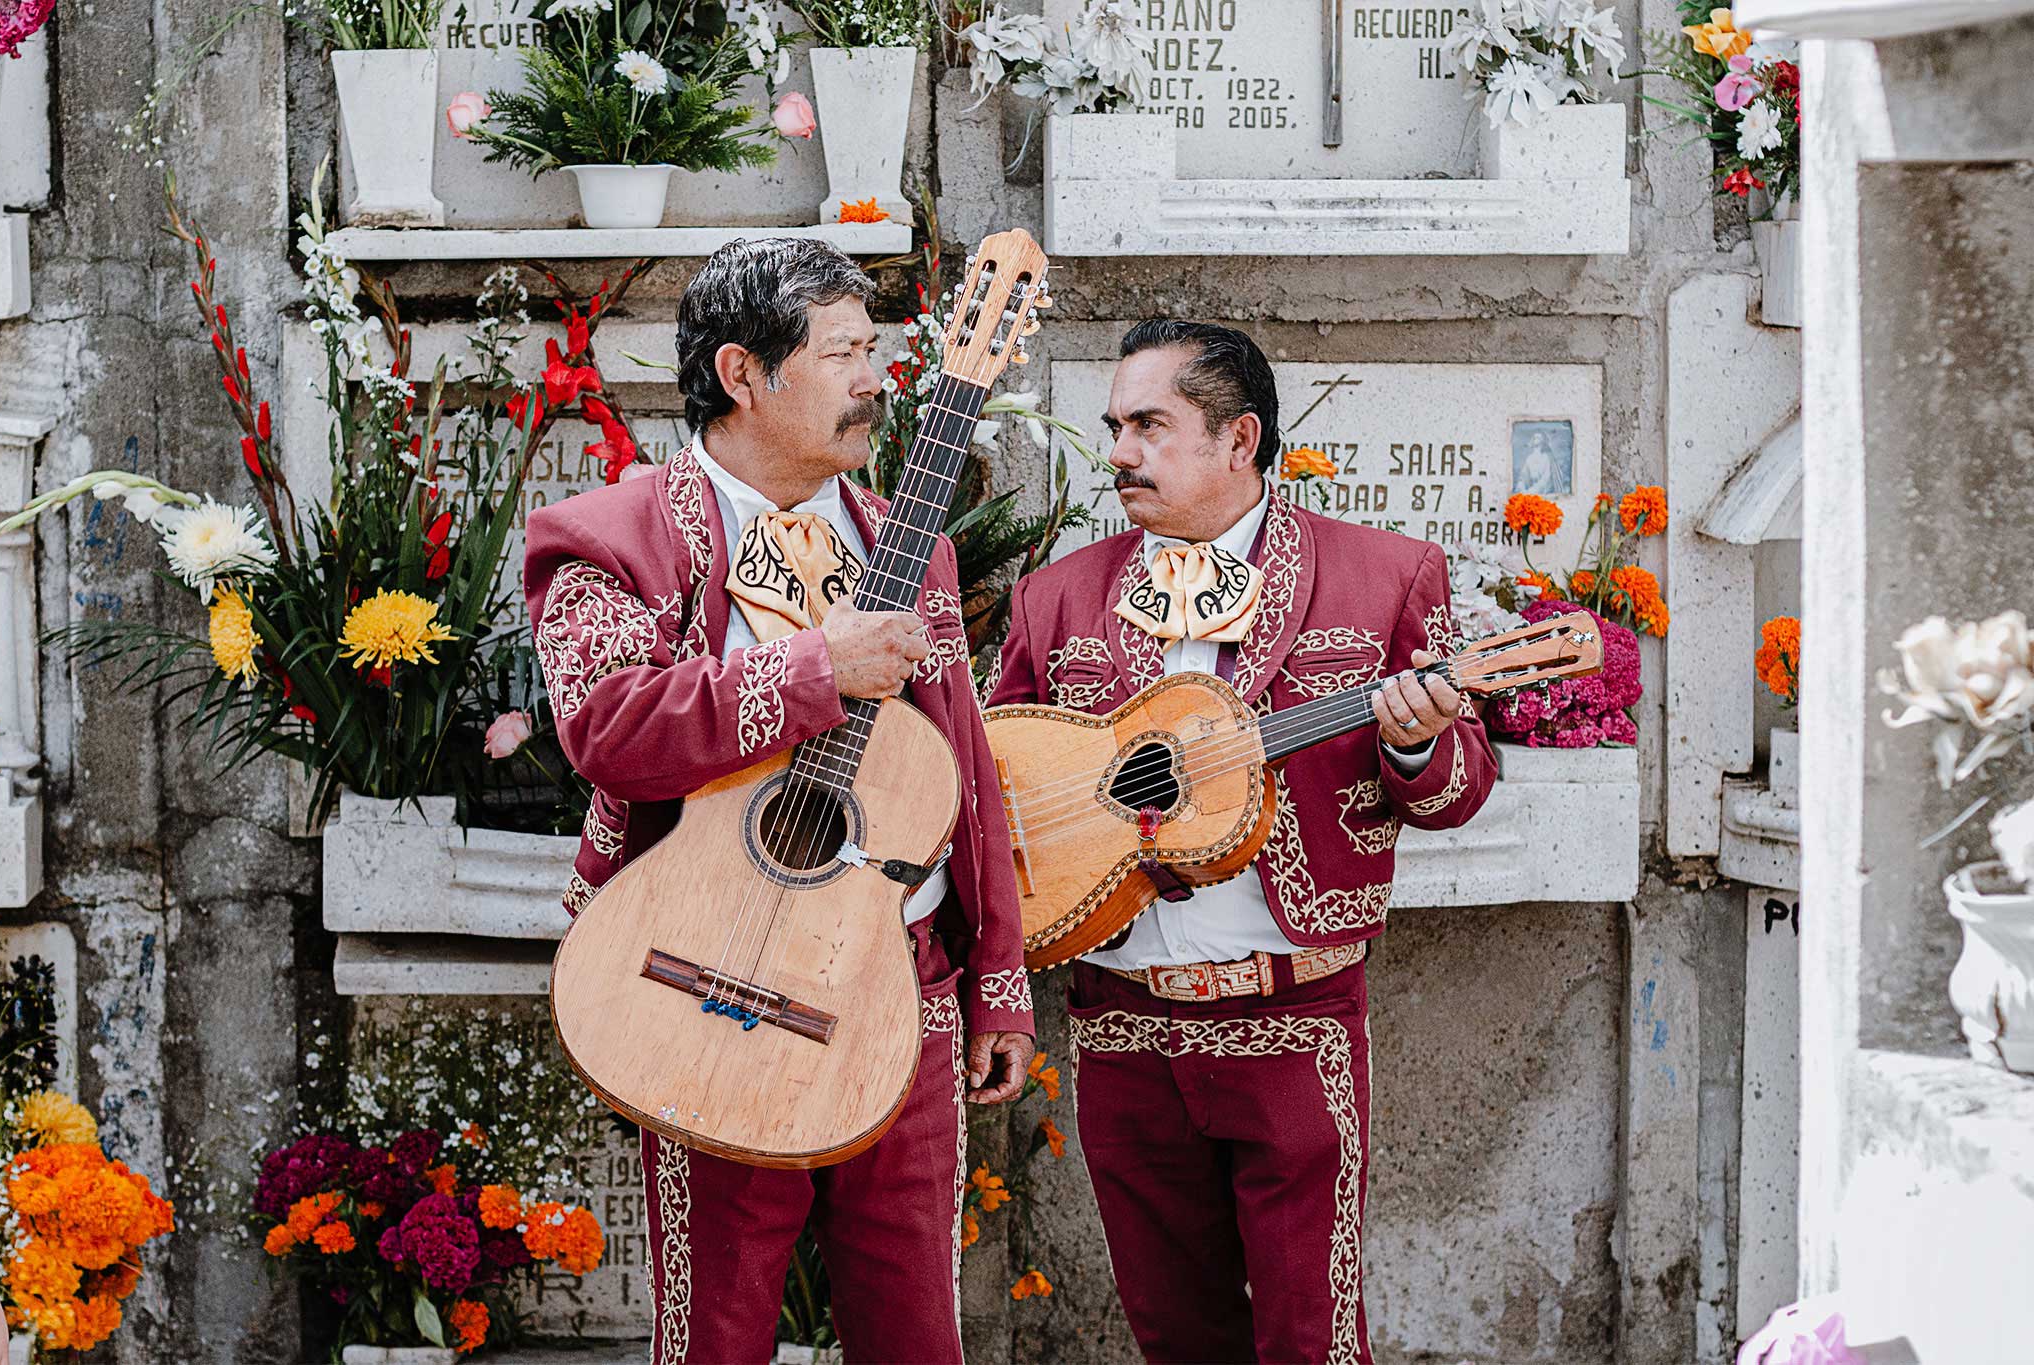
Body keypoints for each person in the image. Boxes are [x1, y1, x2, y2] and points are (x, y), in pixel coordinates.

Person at [524, 238, 1036, 1365]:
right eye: (844, 352)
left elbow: (967, 774)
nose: (873, 380)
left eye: (878, 351)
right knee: (717, 1337)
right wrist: (813, 670)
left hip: (903, 993)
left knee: (917, 1336)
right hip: (706, 980)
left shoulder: (913, 549)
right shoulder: (614, 539)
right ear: (743, 372)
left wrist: (997, 977)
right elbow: (607, 729)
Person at [988, 320, 1498, 1365]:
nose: (1117, 451)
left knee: (1310, 1337)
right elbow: (992, 790)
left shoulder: (1385, 576)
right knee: (1174, 1335)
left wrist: (1413, 746)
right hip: (1119, 1024)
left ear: (1238, 439)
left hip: (1293, 1015)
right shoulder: (1056, 597)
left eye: (1148, 425)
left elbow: (1457, 790)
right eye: (1113, 426)